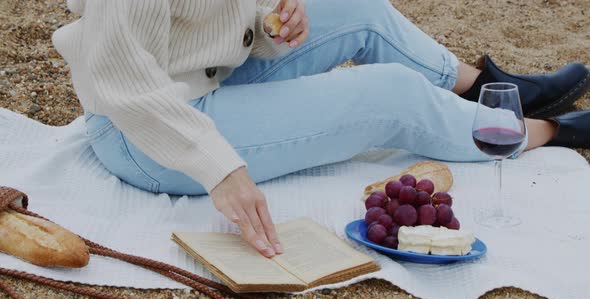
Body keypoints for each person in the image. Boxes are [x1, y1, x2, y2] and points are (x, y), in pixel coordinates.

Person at [53, 0, 590, 258]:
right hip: (145, 130)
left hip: (195, 78)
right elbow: (119, 77)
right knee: (389, 94)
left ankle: (485, 88)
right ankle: (541, 128)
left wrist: (268, 22)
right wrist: (218, 168)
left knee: (357, 8)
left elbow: (196, 21)